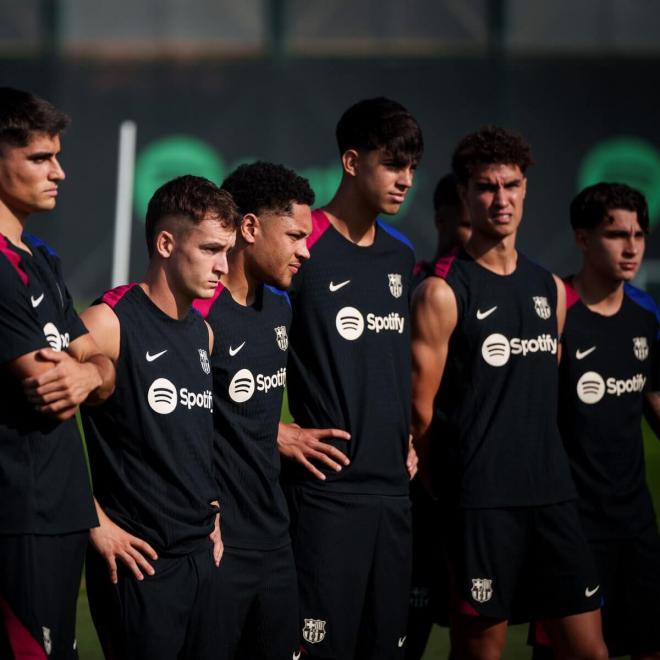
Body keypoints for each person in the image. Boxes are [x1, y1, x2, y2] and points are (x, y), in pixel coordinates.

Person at [411, 125, 608, 659]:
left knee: (590, 650)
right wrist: (454, 494)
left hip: (552, 497)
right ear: (464, 196)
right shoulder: (442, 292)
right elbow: (420, 415)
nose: (501, 199)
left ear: (526, 190)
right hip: (481, 506)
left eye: (512, 185)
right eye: (486, 187)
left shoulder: (551, 289)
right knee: (483, 653)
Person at [280, 97, 422, 659]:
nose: (405, 180)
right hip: (325, 496)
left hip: (394, 491)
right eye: (393, 165)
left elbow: (388, 366)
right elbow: (226, 338)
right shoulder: (299, 243)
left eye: (411, 166)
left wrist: (403, 433)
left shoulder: (400, 255)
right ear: (351, 161)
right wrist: (278, 432)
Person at [80, 175, 239, 660]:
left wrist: (211, 510)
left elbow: (191, 438)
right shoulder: (108, 323)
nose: (223, 267)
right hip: (140, 567)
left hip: (201, 559)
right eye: (211, 249)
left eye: (228, 251)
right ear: (166, 243)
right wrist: (92, 519)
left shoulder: (202, 334)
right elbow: (33, 431)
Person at [0, 87, 115, 660]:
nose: (60, 173)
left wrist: (90, 373)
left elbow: (100, 368)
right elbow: (51, 388)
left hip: (60, 513)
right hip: (19, 515)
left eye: (58, 156)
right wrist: (85, 372)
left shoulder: (39, 259)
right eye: (41, 158)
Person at [192, 161, 317, 659]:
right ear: (249, 227)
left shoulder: (281, 307)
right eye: (293, 236)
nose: (304, 251)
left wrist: (278, 432)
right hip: (215, 545)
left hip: (276, 540)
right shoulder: (198, 314)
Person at [530, 182, 660, 658]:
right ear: (582, 239)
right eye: (615, 234)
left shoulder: (647, 319)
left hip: (637, 520)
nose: (631, 248)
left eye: (639, 235)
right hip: (571, 522)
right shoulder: (556, 313)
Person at [407, 173, 470, 660]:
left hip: (478, 491)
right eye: (467, 222)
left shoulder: (528, 288)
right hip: (421, 486)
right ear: (442, 219)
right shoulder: (419, 286)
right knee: (409, 623)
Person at [411, 173, 471, 287]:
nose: (478, 236)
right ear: (440, 221)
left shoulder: (490, 282)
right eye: (468, 226)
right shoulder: (411, 281)